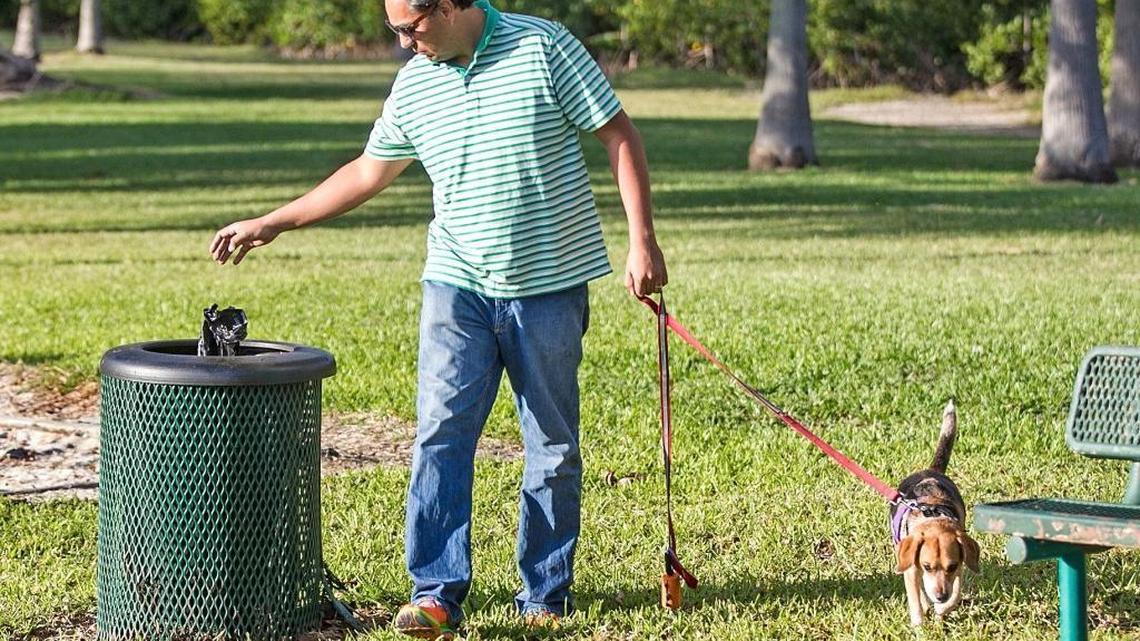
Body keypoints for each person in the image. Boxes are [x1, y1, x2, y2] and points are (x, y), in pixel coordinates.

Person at [209, 0, 666, 636]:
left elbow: (618, 133)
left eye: (410, 27)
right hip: (456, 284)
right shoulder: (416, 81)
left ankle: (543, 596)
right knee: (441, 432)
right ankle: (436, 593)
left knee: (552, 444)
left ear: (450, 6)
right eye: (394, 28)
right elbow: (370, 170)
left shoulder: (544, 47)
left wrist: (641, 240)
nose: (402, 43)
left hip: (550, 286)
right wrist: (271, 223)